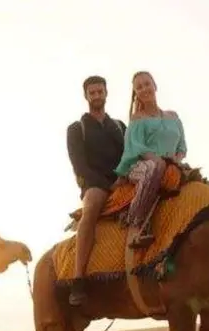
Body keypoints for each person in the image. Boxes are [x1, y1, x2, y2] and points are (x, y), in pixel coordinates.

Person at [66, 75, 128, 306]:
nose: (97, 96)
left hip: (124, 180)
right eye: (92, 93)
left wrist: (124, 177)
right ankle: (78, 278)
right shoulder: (76, 129)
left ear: (106, 93)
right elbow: (79, 166)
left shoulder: (120, 126)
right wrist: (107, 184)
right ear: (86, 96)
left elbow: (131, 154)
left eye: (100, 91)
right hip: (96, 184)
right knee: (91, 206)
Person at [114, 71, 188, 249]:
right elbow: (135, 147)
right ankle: (136, 222)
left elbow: (182, 146)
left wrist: (176, 160)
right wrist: (157, 160)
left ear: (155, 86)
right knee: (153, 168)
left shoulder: (173, 117)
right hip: (139, 165)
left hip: (171, 164)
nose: (144, 89)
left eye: (147, 84)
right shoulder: (137, 119)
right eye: (139, 87)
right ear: (136, 93)